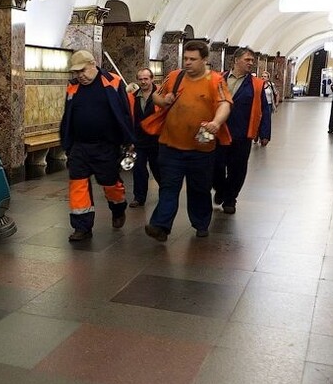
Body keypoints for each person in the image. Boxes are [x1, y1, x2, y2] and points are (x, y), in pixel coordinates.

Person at [145, 41, 232, 241]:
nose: (188, 63)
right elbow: (155, 96)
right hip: (170, 146)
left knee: (199, 188)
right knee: (168, 187)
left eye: (193, 59)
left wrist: (216, 122)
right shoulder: (175, 76)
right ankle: (160, 226)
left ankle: (201, 223)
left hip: (201, 147)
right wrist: (163, 99)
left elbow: (224, 104)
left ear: (204, 60)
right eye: (185, 58)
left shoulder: (215, 80)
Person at [60, 50, 134, 242]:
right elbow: (68, 116)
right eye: (75, 72)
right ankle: (82, 227)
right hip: (79, 146)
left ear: (93, 64)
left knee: (110, 184)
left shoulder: (113, 81)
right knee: (78, 186)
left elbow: (124, 114)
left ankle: (118, 208)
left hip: (105, 146)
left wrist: (128, 141)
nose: (79, 76)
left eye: (82, 70)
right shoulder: (73, 87)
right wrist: (67, 142)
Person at [212, 47, 271, 214]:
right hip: (219, 130)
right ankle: (221, 189)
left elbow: (264, 110)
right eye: (247, 60)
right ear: (236, 60)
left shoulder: (257, 84)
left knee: (237, 168)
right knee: (215, 165)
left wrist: (265, 133)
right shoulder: (219, 78)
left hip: (242, 132)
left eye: (252, 60)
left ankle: (230, 199)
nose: (251, 63)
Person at [127, 68, 161, 208]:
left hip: (156, 140)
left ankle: (165, 193)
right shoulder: (133, 97)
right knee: (139, 169)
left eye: (146, 79)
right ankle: (139, 197)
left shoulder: (160, 94)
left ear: (152, 79)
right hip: (139, 140)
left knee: (158, 169)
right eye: (140, 79)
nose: (143, 82)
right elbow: (130, 118)